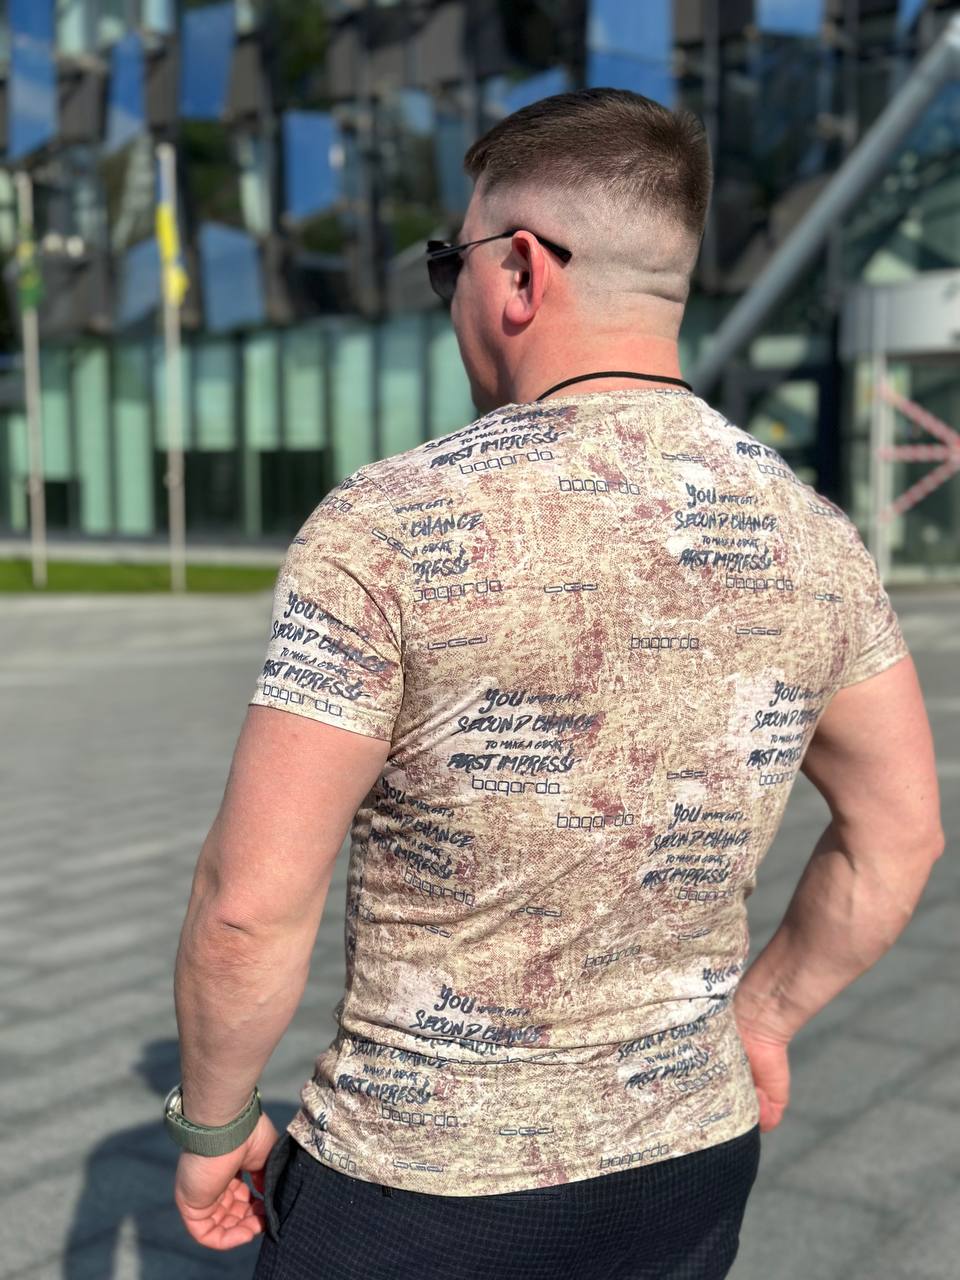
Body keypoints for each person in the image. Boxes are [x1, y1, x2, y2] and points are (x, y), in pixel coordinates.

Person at [167, 89, 944, 1279]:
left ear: (521, 270)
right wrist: (763, 1019)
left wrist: (213, 1127)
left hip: (421, 1188)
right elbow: (900, 836)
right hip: (688, 1160)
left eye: (451, 262)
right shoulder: (817, 537)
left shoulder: (390, 525)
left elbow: (246, 907)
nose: (452, 294)